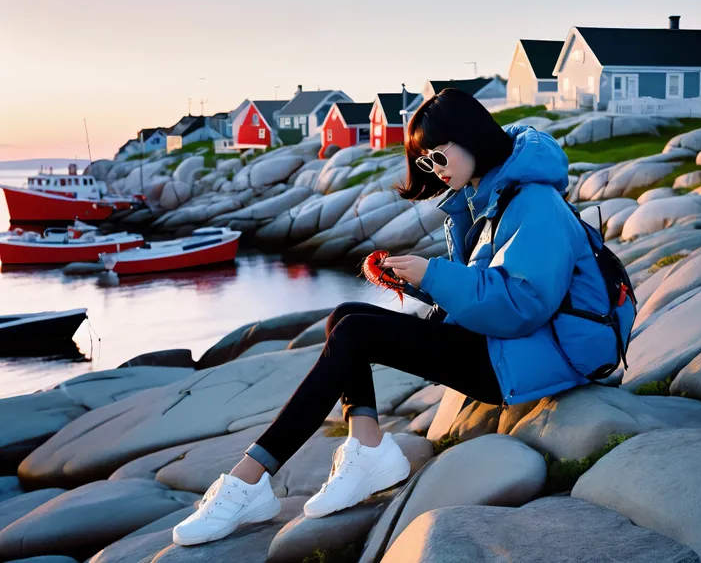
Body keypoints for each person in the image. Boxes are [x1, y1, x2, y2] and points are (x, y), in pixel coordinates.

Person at [172, 88, 619, 546]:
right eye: (426, 163)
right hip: (513, 347)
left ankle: (247, 481)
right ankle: (368, 449)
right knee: (346, 316)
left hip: (542, 357)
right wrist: (421, 282)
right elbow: (491, 287)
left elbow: (522, 307)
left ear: (471, 138)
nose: (435, 171)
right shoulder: (491, 197)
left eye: (437, 157)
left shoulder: (534, 203)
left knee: (358, 332)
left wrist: (434, 274)